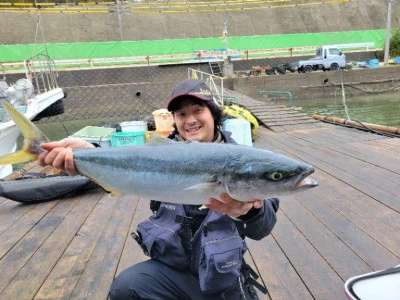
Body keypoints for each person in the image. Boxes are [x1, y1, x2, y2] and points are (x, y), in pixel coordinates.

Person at [38, 79, 280, 300]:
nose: (191, 120)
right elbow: (128, 163)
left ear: (213, 114)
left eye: (198, 110)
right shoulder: (161, 154)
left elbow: (263, 225)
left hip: (222, 277)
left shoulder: (245, 161)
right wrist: (88, 153)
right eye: (181, 114)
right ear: (174, 120)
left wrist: (249, 211)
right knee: (125, 289)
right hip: (173, 270)